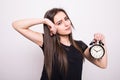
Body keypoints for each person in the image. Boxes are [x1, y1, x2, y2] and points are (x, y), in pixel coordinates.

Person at [12, 8, 107, 80]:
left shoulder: (80, 45)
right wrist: (45, 21)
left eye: (66, 19)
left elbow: (102, 64)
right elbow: (17, 25)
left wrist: (103, 42)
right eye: (59, 23)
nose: (66, 24)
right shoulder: (47, 42)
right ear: (51, 26)